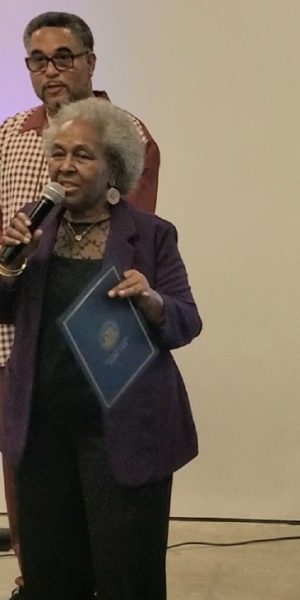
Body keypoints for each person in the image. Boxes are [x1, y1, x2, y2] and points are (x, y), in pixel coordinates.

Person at [0, 97, 201, 600]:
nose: (65, 166)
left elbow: (186, 320)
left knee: (126, 576)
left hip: (122, 431)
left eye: (82, 155)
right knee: (51, 575)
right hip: (43, 431)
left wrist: (152, 301)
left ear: (114, 166)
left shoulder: (151, 236)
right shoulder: (32, 224)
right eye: (59, 153)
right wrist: (9, 266)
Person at [0, 12, 160, 595]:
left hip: (93, 333)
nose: (52, 70)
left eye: (64, 56)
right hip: (16, 320)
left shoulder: (125, 132)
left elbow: (128, 237)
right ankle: (36, 577)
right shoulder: (10, 133)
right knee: (23, 458)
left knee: (100, 471)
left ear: (91, 61)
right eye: (38, 60)